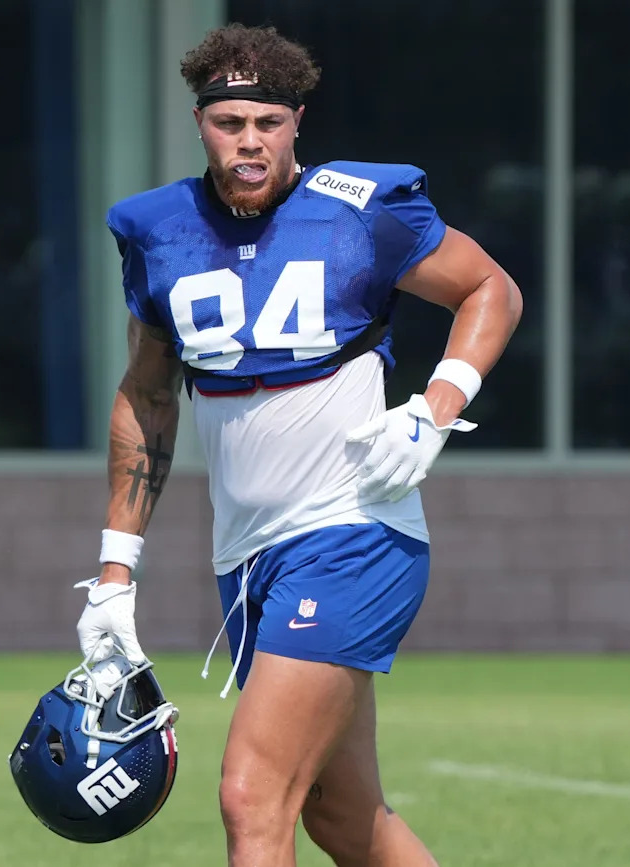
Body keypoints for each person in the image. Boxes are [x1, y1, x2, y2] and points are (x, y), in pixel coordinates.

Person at [75, 22, 522, 867]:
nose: (249, 141)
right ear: (200, 123)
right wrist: (113, 571)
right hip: (247, 555)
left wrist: (436, 404)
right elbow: (147, 395)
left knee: (252, 795)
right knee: (343, 819)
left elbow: (489, 287)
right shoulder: (158, 228)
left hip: (352, 535)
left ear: (297, 122)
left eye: (267, 123)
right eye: (229, 122)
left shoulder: (362, 209)